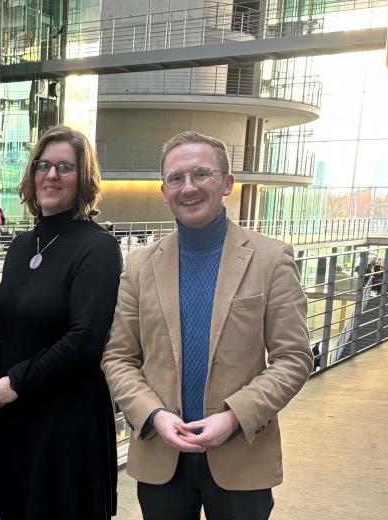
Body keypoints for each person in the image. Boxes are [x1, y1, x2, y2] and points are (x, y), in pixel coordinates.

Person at [101, 131, 313, 520]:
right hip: (162, 454)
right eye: (175, 178)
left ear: (228, 183)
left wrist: (234, 416)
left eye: (202, 174)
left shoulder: (270, 259)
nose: (189, 187)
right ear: (164, 191)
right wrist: (153, 415)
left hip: (241, 455)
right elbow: (118, 357)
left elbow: (294, 358)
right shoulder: (139, 265)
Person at [0, 126, 121, 519]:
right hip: (17, 414)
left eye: (65, 167)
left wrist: (17, 381)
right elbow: (5, 316)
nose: (52, 175)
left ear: (83, 179)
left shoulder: (99, 247)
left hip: (67, 422)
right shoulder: (22, 244)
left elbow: (85, 339)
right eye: (44, 165)